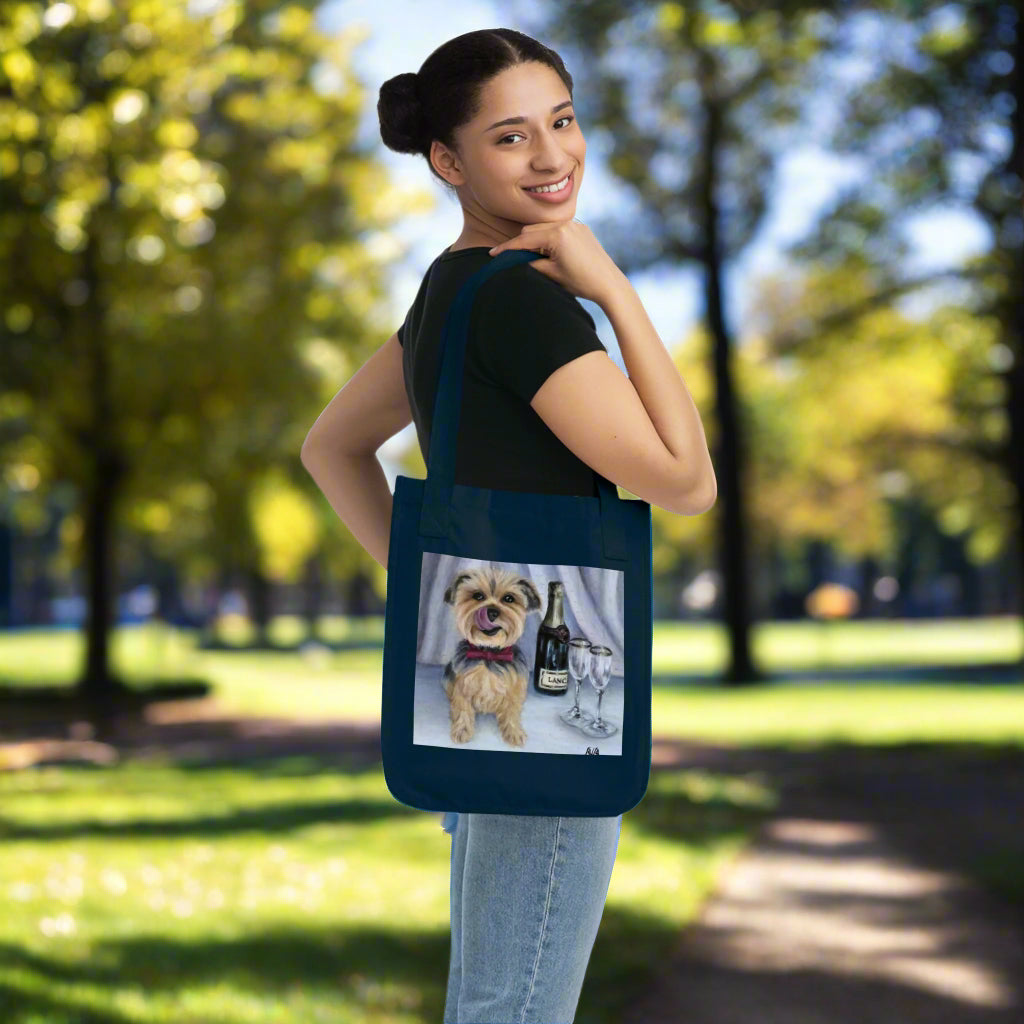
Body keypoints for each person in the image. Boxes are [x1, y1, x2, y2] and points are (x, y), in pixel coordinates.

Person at [306, 26, 716, 1024]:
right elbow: (684, 478)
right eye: (509, 137)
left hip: (478, 682)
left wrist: (431, 609)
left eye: (563, 122)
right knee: (513, 1007)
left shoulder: (445, 292)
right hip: (551, 703)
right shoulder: (528, 305)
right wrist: (612, 292)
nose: (552, 156)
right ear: (446, 161)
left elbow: (329, 448)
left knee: (493, 998)